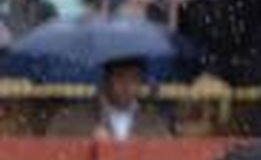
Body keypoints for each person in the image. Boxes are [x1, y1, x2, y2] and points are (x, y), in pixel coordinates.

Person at [45, 59, 174, 140]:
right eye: (120, 77)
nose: (127, 85)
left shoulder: (155, 124)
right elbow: (52, 156)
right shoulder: (70, 120)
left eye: (134, 79)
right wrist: (87, 145)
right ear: (106, 79)